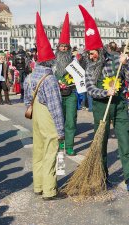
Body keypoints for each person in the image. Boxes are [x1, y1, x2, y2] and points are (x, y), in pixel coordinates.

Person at [79, 5, 129, 191]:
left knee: (124, 138)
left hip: (119, 105)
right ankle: (102, 175)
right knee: (101, 141)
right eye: (88, 53)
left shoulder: (117, 59)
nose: (90, 56)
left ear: (100, 50)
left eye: (93, 52)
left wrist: (127, 64)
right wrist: (104, 93)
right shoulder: (90, 67)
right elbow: (90, 89)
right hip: (101, 105)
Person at [24, 13, 66, 200]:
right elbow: (56, 106)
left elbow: (26, 101)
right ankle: (50, 190)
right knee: (51, 152)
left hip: (36, 119)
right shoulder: (49, 79)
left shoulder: (30, 76)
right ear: (50, 61)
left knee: (38, 152)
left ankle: (38, 185)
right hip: (48, 116)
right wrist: (61, 129)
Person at [54, 13, 78, 156]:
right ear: (58, 48)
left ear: (69, 48)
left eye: (66, 47)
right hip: (57, 94)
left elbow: (81, 76)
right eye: (61, 47)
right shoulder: (53, 61)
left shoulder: (74, 61)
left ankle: (69, 145)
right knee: (58, 120)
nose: (63, 49)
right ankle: (60, 141)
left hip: (71, 94)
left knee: (71, 120)